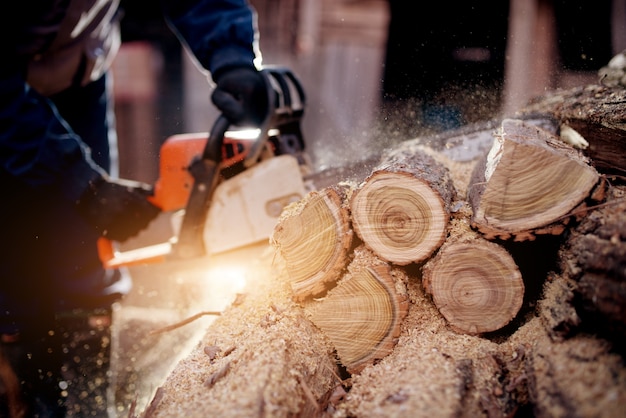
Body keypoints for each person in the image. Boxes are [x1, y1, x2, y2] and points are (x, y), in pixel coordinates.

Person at [0, 1, 272, 416]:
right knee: (17, 276)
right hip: (7, 97)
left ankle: (86, 405)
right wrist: (78, 180)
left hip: (78, 75)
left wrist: (233, 58)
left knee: (85, 258)